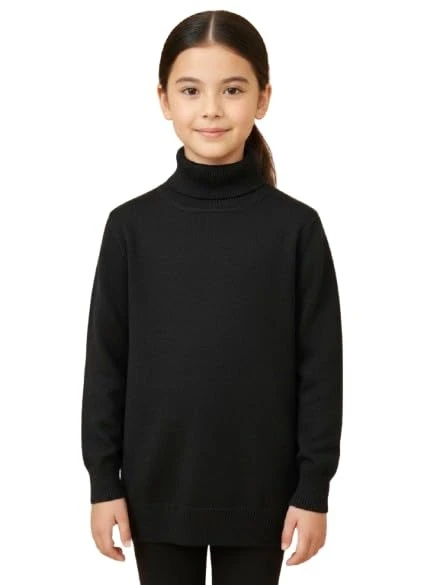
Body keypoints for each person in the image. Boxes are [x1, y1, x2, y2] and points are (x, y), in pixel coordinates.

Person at [80, 9, 343, 585]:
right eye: (191, 90)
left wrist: (313, 489)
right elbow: (106, 365)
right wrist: (103, 482)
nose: (212, 109)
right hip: (154, 493)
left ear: (263, 97)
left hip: (263, 497)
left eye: (233, 89)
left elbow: (321, 371)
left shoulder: (296, 229)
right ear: (163, 99)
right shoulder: (130, 228)